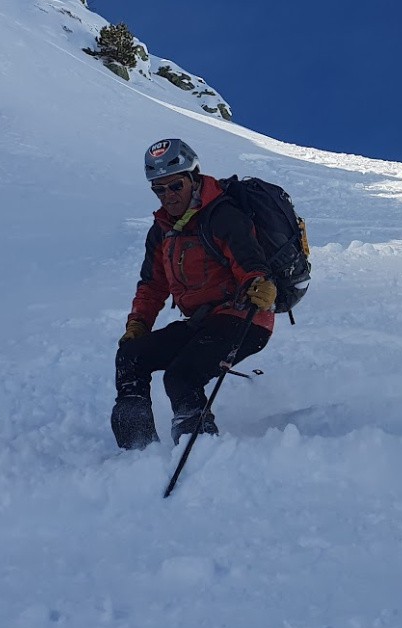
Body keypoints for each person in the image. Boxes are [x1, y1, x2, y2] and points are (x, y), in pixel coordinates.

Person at [111, 138, 278, 449]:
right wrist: (138, 326)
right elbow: (152, 285)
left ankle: (199, 451)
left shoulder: (221, 214)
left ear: (193, 177)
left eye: (174, 186)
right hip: (202, 323)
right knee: (131, 357)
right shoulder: (162, 230)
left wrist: (258, 282)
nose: (168, 196)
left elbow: (250, 261)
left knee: (181, 376)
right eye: (159, 190)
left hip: (244, 316)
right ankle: (136, 450)